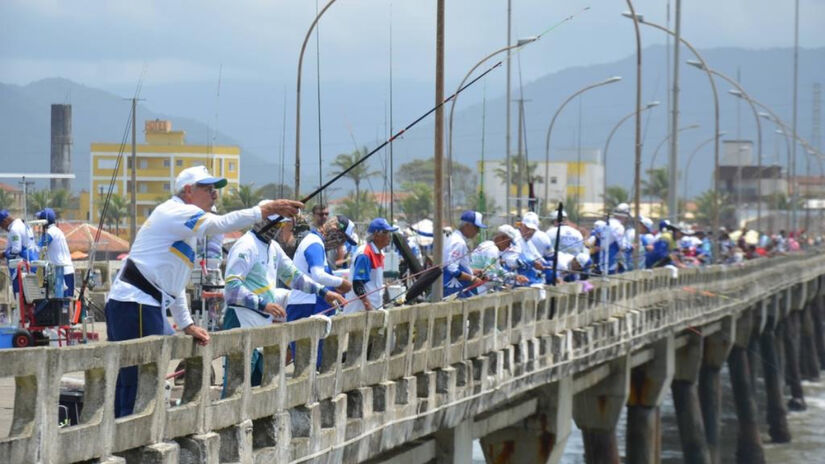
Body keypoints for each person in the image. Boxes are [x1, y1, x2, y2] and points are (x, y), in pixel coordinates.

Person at [105, 165, 301, 417]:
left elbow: (173, 285)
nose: (214, 195)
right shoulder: (176, 211)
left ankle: (124, 433)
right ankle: (128, 438)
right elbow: (220, 223)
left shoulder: (186, 229)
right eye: (208, 189)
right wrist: (265, 210)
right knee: (140, 377)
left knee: (134, 377)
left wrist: (187, 325)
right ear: (188, 190)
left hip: (141, 302)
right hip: (137, 303)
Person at [222, 216, 345, 388]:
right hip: (241, 318)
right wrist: (264, 304)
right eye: (280, 224)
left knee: (261, 384)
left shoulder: (273, 248)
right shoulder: (246, 246)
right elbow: (232, 288)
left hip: (263, 323)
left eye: (283, 224)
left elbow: (294, 276)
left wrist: (323, 293)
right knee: (236, 384)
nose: (282, 229)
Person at [286, 215, 354, 322]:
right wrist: (341, 283)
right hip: (306, 306)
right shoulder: (315, 243)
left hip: (312, 305)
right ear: (333, 227)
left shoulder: (317, 243)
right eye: (341, 237)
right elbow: (318, 275)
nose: (340, 242)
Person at [344, 218, 397, 313]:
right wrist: (368, 306)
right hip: (360, 311)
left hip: (374, 309)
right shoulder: (365, 254)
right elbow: (358, 284)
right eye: (386, 233)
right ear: (376, 235)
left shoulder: (380, 253)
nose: (389, 236)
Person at [443, 210, 486, 298]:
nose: (477, 232)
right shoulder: (458, 242)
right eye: (476, 228)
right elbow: (451, 268)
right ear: (467, 226)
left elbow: (457, 264)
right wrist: (472, 278)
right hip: (452, 290)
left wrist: (471, 271)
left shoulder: (455, 238)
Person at [35, 208, 74, 297]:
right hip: (67, 269)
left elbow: (38, 247)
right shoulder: (57, 231)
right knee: (68, 300)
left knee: (62, 301)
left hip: (61, 272)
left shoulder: (50, 233)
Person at [0, 210, 39, 299]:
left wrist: (3, 254)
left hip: (21, 271)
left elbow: (16, 249)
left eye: (1, 225)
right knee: (32, 299)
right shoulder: (24, 224)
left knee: (20, 299)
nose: (2, 228)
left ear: (5, 221)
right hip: (32, 265)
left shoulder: (14, 229)